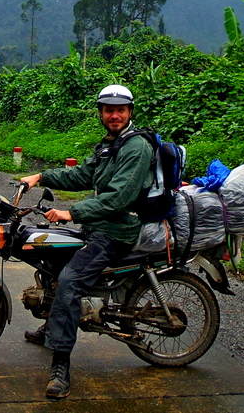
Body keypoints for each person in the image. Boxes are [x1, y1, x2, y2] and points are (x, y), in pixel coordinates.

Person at [19, 84, 153, 399]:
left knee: (69, 282)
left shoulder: (136, 148)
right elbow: (82, 175)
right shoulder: (110, 144)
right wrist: (40, 177)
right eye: (108, 110)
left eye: (120, 110)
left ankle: (61, 367)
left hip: (118, 230)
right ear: (101, 113)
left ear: (130, 112)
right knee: (50, 259)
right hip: (99, 224)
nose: (115, 115)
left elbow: (118, 198)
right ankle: (53, 326)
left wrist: (71, 213)